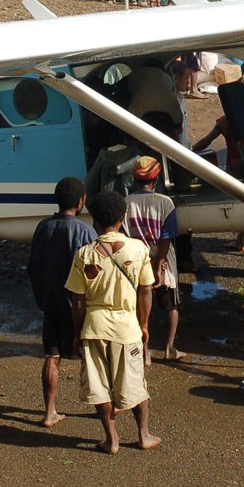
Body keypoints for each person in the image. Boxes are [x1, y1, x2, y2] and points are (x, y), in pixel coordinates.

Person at [65, 189, 161, 454]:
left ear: (94, 219)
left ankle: (112, 439)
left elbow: (78, 299)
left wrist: (77, 333)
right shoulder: (138, 249)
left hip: (94, 327)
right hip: (127, 328)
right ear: (122, 217)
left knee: (100, 387)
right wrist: (144, 326)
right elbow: (145, 290)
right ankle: (143, 435)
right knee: (135, 384)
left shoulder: (84, 254)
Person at [28, 177, 96, 428]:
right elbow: (94, 273)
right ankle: (106, 410)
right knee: (92, 358)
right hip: (77, 306)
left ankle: (49, 412)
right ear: (81, 202)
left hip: (50, 304)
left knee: (52, 355)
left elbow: (32, 266)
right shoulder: (86, 231)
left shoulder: (42, 227)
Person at [124, 157, 185, 363]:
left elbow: (124, 234)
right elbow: (167, 236)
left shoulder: (126, 203)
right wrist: (159, 263)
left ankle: (145, 351)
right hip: (163, 258)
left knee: (140, 307)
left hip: (135, 260)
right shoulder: (165, 202)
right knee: (171, 304)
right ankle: (170, 348)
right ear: (157, 178)